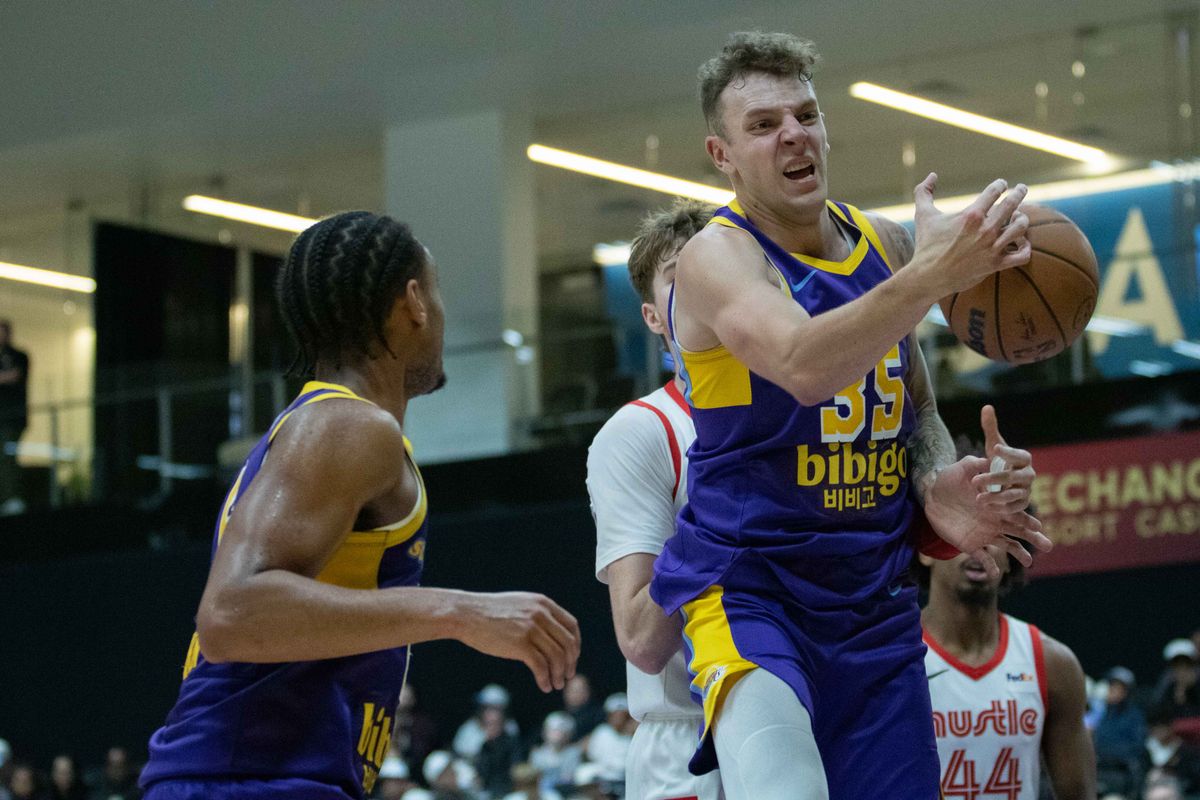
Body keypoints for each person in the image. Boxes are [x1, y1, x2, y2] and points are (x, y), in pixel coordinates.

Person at [649, 32, 1050, 800]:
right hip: (754, 592)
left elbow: (917, 407)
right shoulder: (716, 258)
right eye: (764, 125)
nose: (793, 134)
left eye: (806, 115)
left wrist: (939, 485)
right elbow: (802, 365)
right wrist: (931, 276)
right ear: (722, 155)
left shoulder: (885, 244)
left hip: (875, 604)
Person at [139, 211, 581, 800]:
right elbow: (230, 615)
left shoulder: (328, 426)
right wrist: (460, 613)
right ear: (414, 301)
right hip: (246, 779)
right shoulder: (345, 425)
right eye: (437, 292)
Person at [587, 200, 723, 800]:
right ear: (652, 317)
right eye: (679, 276)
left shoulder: (806, 403)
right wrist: (721, 513)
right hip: (692, 745)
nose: (703, 284)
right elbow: (642, 641)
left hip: (814, 718)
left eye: (719, 265)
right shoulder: (641, 431)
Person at [918, 545, 1095, 799]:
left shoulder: (1053, 663)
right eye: (965, 532)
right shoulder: (894, 658)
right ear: (926, 551)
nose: (980, 546)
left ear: (1012, 556)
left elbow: (1079, 794)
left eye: (995, 536)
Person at [1093, 667, 1148, 796]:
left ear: (1127, 691)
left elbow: (1137, 747)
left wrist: (1110, 753)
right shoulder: (1102, 713)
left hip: (1123, 771)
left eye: (1118, 687)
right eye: (1111, 686)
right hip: (1101, 769)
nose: (1112, 690)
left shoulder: (1134, 716)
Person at [0, 320, 29, 515]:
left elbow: (15, 375)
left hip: (12, 419)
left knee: (7, 458)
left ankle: (11, 499)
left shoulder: (18, 356)